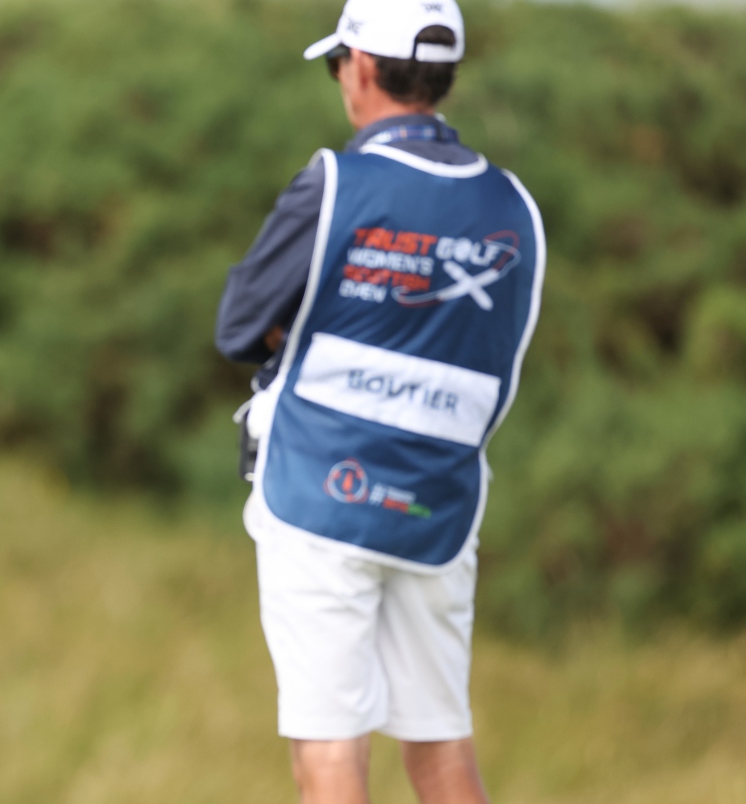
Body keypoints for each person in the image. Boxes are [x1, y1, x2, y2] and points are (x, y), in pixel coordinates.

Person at [216, 1, 544, 801]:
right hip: (439, 510)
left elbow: (238, 328)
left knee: (329, 752)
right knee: (442, 748)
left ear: (360, 66)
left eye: (338, 64)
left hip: (317, 496)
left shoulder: (337, 181)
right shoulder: (516, 206)